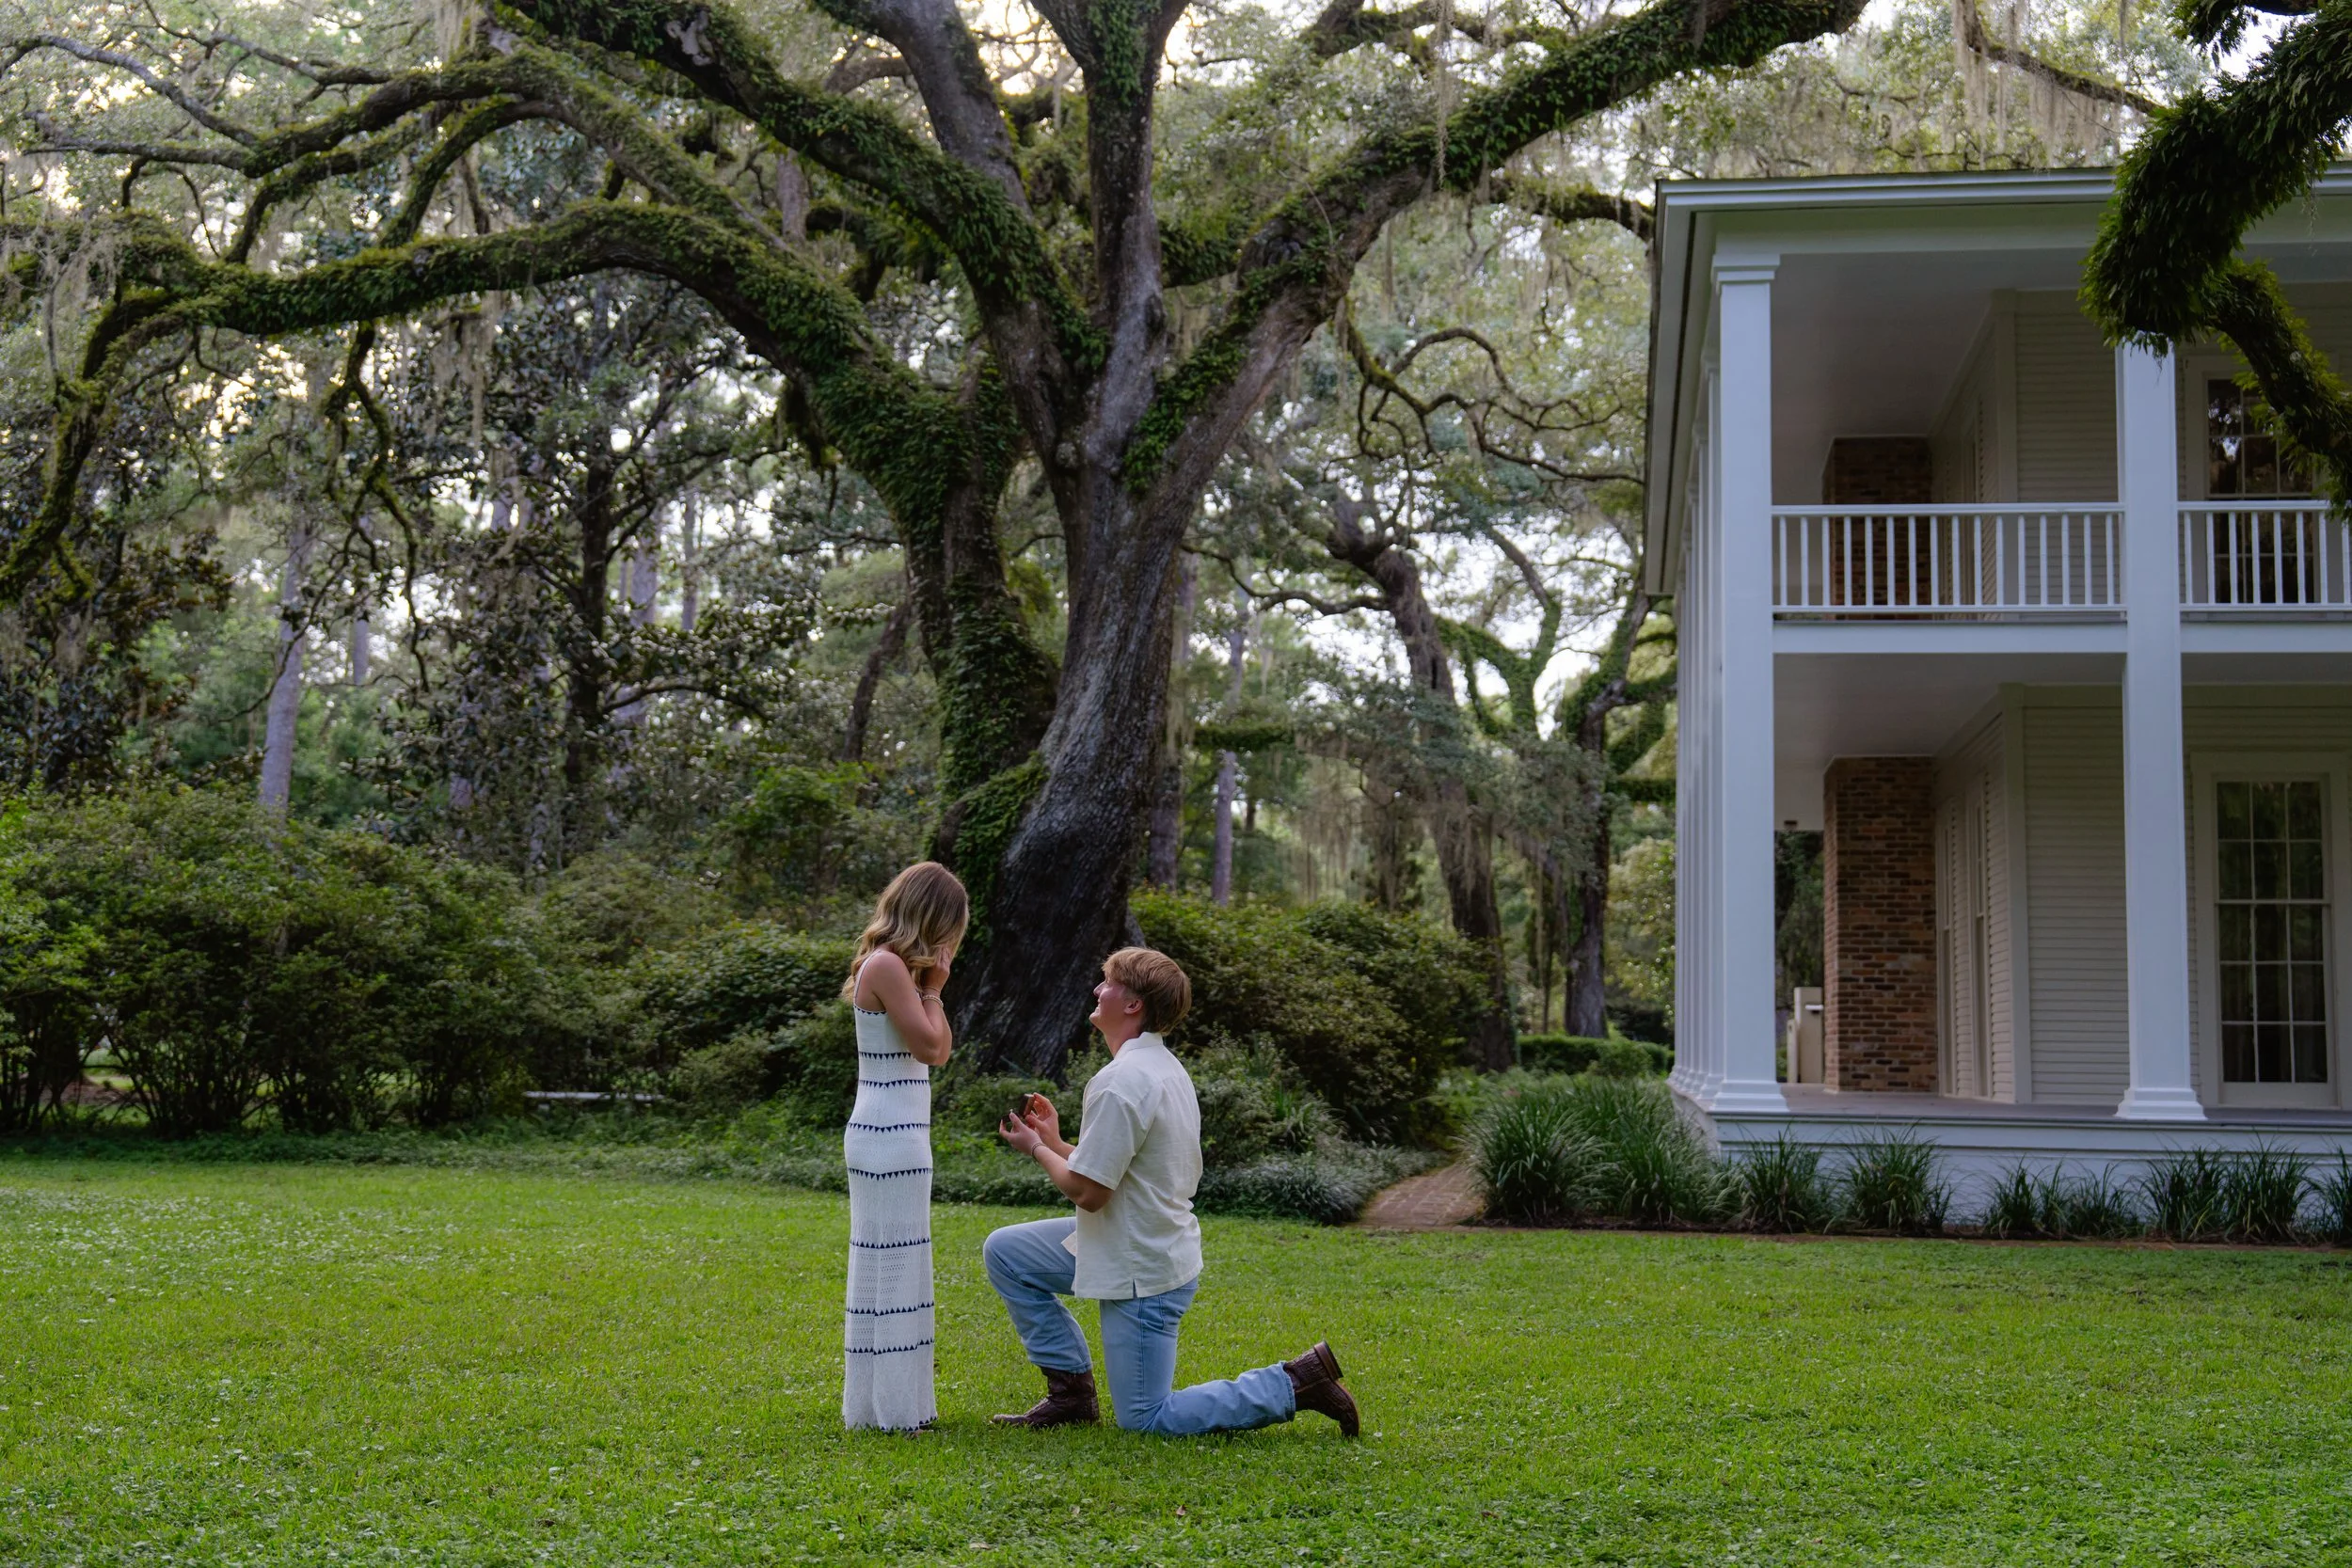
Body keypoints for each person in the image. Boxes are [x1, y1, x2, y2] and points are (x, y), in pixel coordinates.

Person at [985, 946, 1359, 1437]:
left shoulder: (1122, 1081)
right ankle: (1070, 1396)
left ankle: (1295, 1383)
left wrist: (1037, 1149)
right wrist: (1056, 1142)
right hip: (1129, 1241)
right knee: (1007, 1253)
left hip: (1143, 1269)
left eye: (1108, 983)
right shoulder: (1161, 1068)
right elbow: (1122, 1169)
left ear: (1134, 1004)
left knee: (1147, 1418)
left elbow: (1090, 1193)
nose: (1097, 990)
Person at [841, 861, 967, 1433]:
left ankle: (902, 1405)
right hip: (887, 1135)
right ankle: (888, 1412)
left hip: (904, 1131)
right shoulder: (888, 965)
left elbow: (936, 1046)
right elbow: (932, 1049)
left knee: (904, 1266)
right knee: (888, 1267)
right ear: (933, 918)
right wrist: (937, 991)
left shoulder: (902, 973)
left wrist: (932, 993)